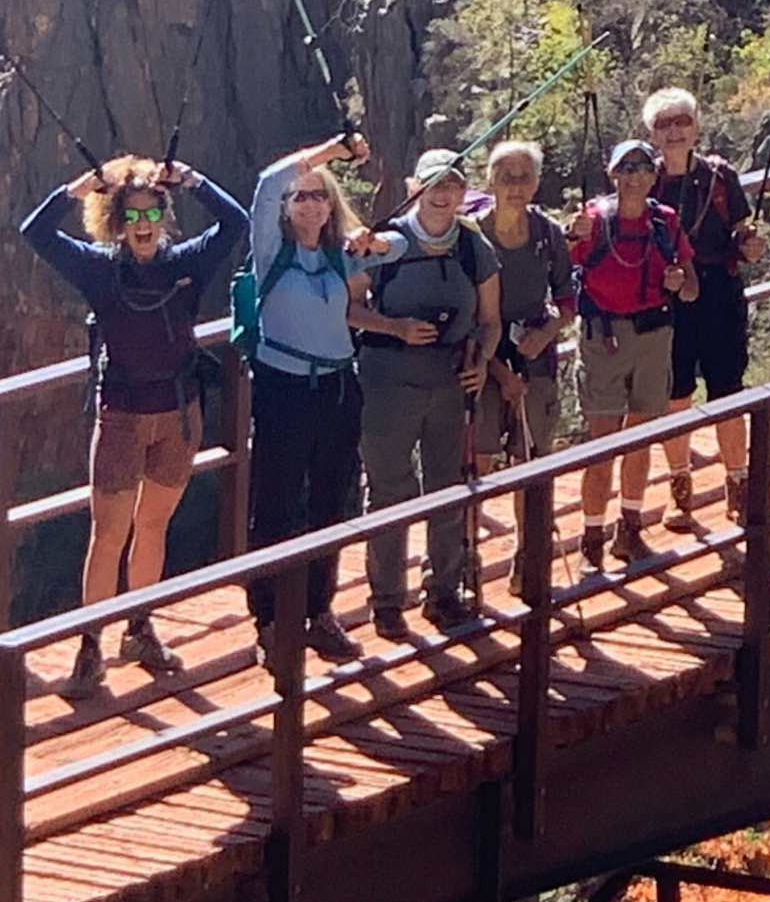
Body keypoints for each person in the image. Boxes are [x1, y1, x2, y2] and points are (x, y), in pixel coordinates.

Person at [20, 154, 248, 696]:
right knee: (108, 537)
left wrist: (193, 179)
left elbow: (235, 223)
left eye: (151, 216)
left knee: (152, 528)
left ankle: (139, 627)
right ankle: (90, 647)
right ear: (116, 222)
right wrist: (77, 190)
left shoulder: (184, 262)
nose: (142, 228)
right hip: (121, 417)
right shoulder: (99, 268)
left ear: (163, 219)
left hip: (177, 416)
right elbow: (36, 233)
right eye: (132, 217)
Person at [348, 149, 500, 640]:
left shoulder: (475, 249)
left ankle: (444, 594)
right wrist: (394, 327)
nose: (442, 193)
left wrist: (480, 362)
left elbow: (491, 320)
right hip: (387, 380)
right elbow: (348, 307)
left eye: (452, 184)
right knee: (390, 490)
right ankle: (388, 601)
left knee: (448, 487)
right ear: (414, 185)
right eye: (433, 184)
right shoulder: (386, 245)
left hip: (451, 381)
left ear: (462, 192)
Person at [243, 133, 382, 663]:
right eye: (300, 196)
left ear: (331, 204)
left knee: (330, 500)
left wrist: (377, 245)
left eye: (318, 195)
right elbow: (265, 182)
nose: (309, 202)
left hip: (339, 387)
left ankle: (320, 612)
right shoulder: (270, 250)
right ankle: (271, 620)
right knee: (275, 504)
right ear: (286, 208)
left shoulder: (338, 255)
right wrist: (331, 152)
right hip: (283, 389)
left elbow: (399, 250)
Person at [569, 139, 699, 571]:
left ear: (654, 175)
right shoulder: (590, 222)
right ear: (613, 175)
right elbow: (562, 269)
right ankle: (591, 539)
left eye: (643, 168)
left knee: (640, 437)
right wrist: (573, 236)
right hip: (604, 338)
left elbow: (693, 287)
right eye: (626, 168)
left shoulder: (665, 222)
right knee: (602, 443)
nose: (635, 177)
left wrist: (680, 282)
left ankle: (629, 530)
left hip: (652, 335)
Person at [643, 88, 764, 527]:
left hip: (719, 293)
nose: (674, 131)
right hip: (665, 300)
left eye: (682, 121)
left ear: (696, 127)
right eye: (664, 124)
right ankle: (681, 489)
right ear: (651, 134)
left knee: (726, 388)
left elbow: (738, 228)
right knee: (674, 396)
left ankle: (738, 485)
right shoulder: (643, 181)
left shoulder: (720, 177)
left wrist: (748, 244)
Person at [479, 142, 576, 590]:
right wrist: (500, 371)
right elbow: (467, 311)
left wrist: (546, 334)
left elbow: (567, 297)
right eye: (506, 175)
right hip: (481, 362)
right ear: (490, 182)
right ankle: (463, 563)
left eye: (524, 176)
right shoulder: (473, 235)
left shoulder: (547, 232)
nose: (516, 185)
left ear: (537, 182)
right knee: (476, 461)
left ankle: (529, 558)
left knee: (531, 459)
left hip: (535, 356)